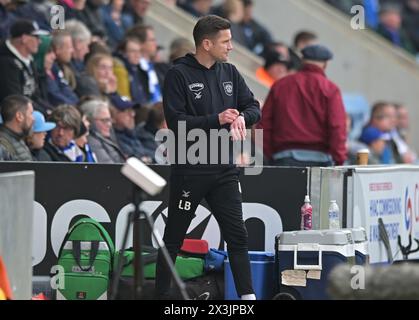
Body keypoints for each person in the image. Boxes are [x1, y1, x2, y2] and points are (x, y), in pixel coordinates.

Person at [155, 15, 261, 300]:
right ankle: (161, 296)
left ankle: (248, 298)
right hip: (190, 168)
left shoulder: (229, 72)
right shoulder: (178, 75)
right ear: (206, 43)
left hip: (224, 168)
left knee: (238, 236)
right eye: (226, 41)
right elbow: (176, 122)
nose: (231, 46)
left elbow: (254, 106)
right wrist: (216, 119)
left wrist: (241, 116)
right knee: (173, 239)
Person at [258, 44, 347, 167]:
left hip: (284, 157)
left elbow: (263, 124)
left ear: (302, 61)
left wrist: (271, 154)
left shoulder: (280, 85)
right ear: (325, 64)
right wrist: (339, 159)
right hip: (320, 161)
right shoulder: (331, 89)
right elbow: (337, 127)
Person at [0, 94, 34, 161]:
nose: (33, 119)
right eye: (31, 113)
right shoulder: (2, 145)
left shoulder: (19, 139)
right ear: (19, 116)